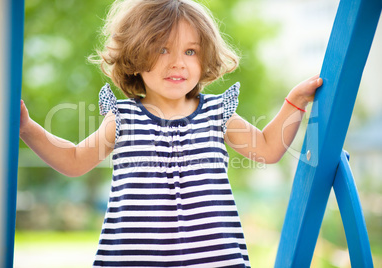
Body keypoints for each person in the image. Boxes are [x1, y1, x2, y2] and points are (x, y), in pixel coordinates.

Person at [20, 0, 323, 267]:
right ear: (135, 54)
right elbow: (74, 160)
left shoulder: (217, 113)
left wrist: (294, 102)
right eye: (162, 48)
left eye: (191, 51)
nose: (178, 61)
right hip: (135, 259)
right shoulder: (122, 117)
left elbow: (268, 148)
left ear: (204, 59)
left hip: (214, 259)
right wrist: (27, 128)